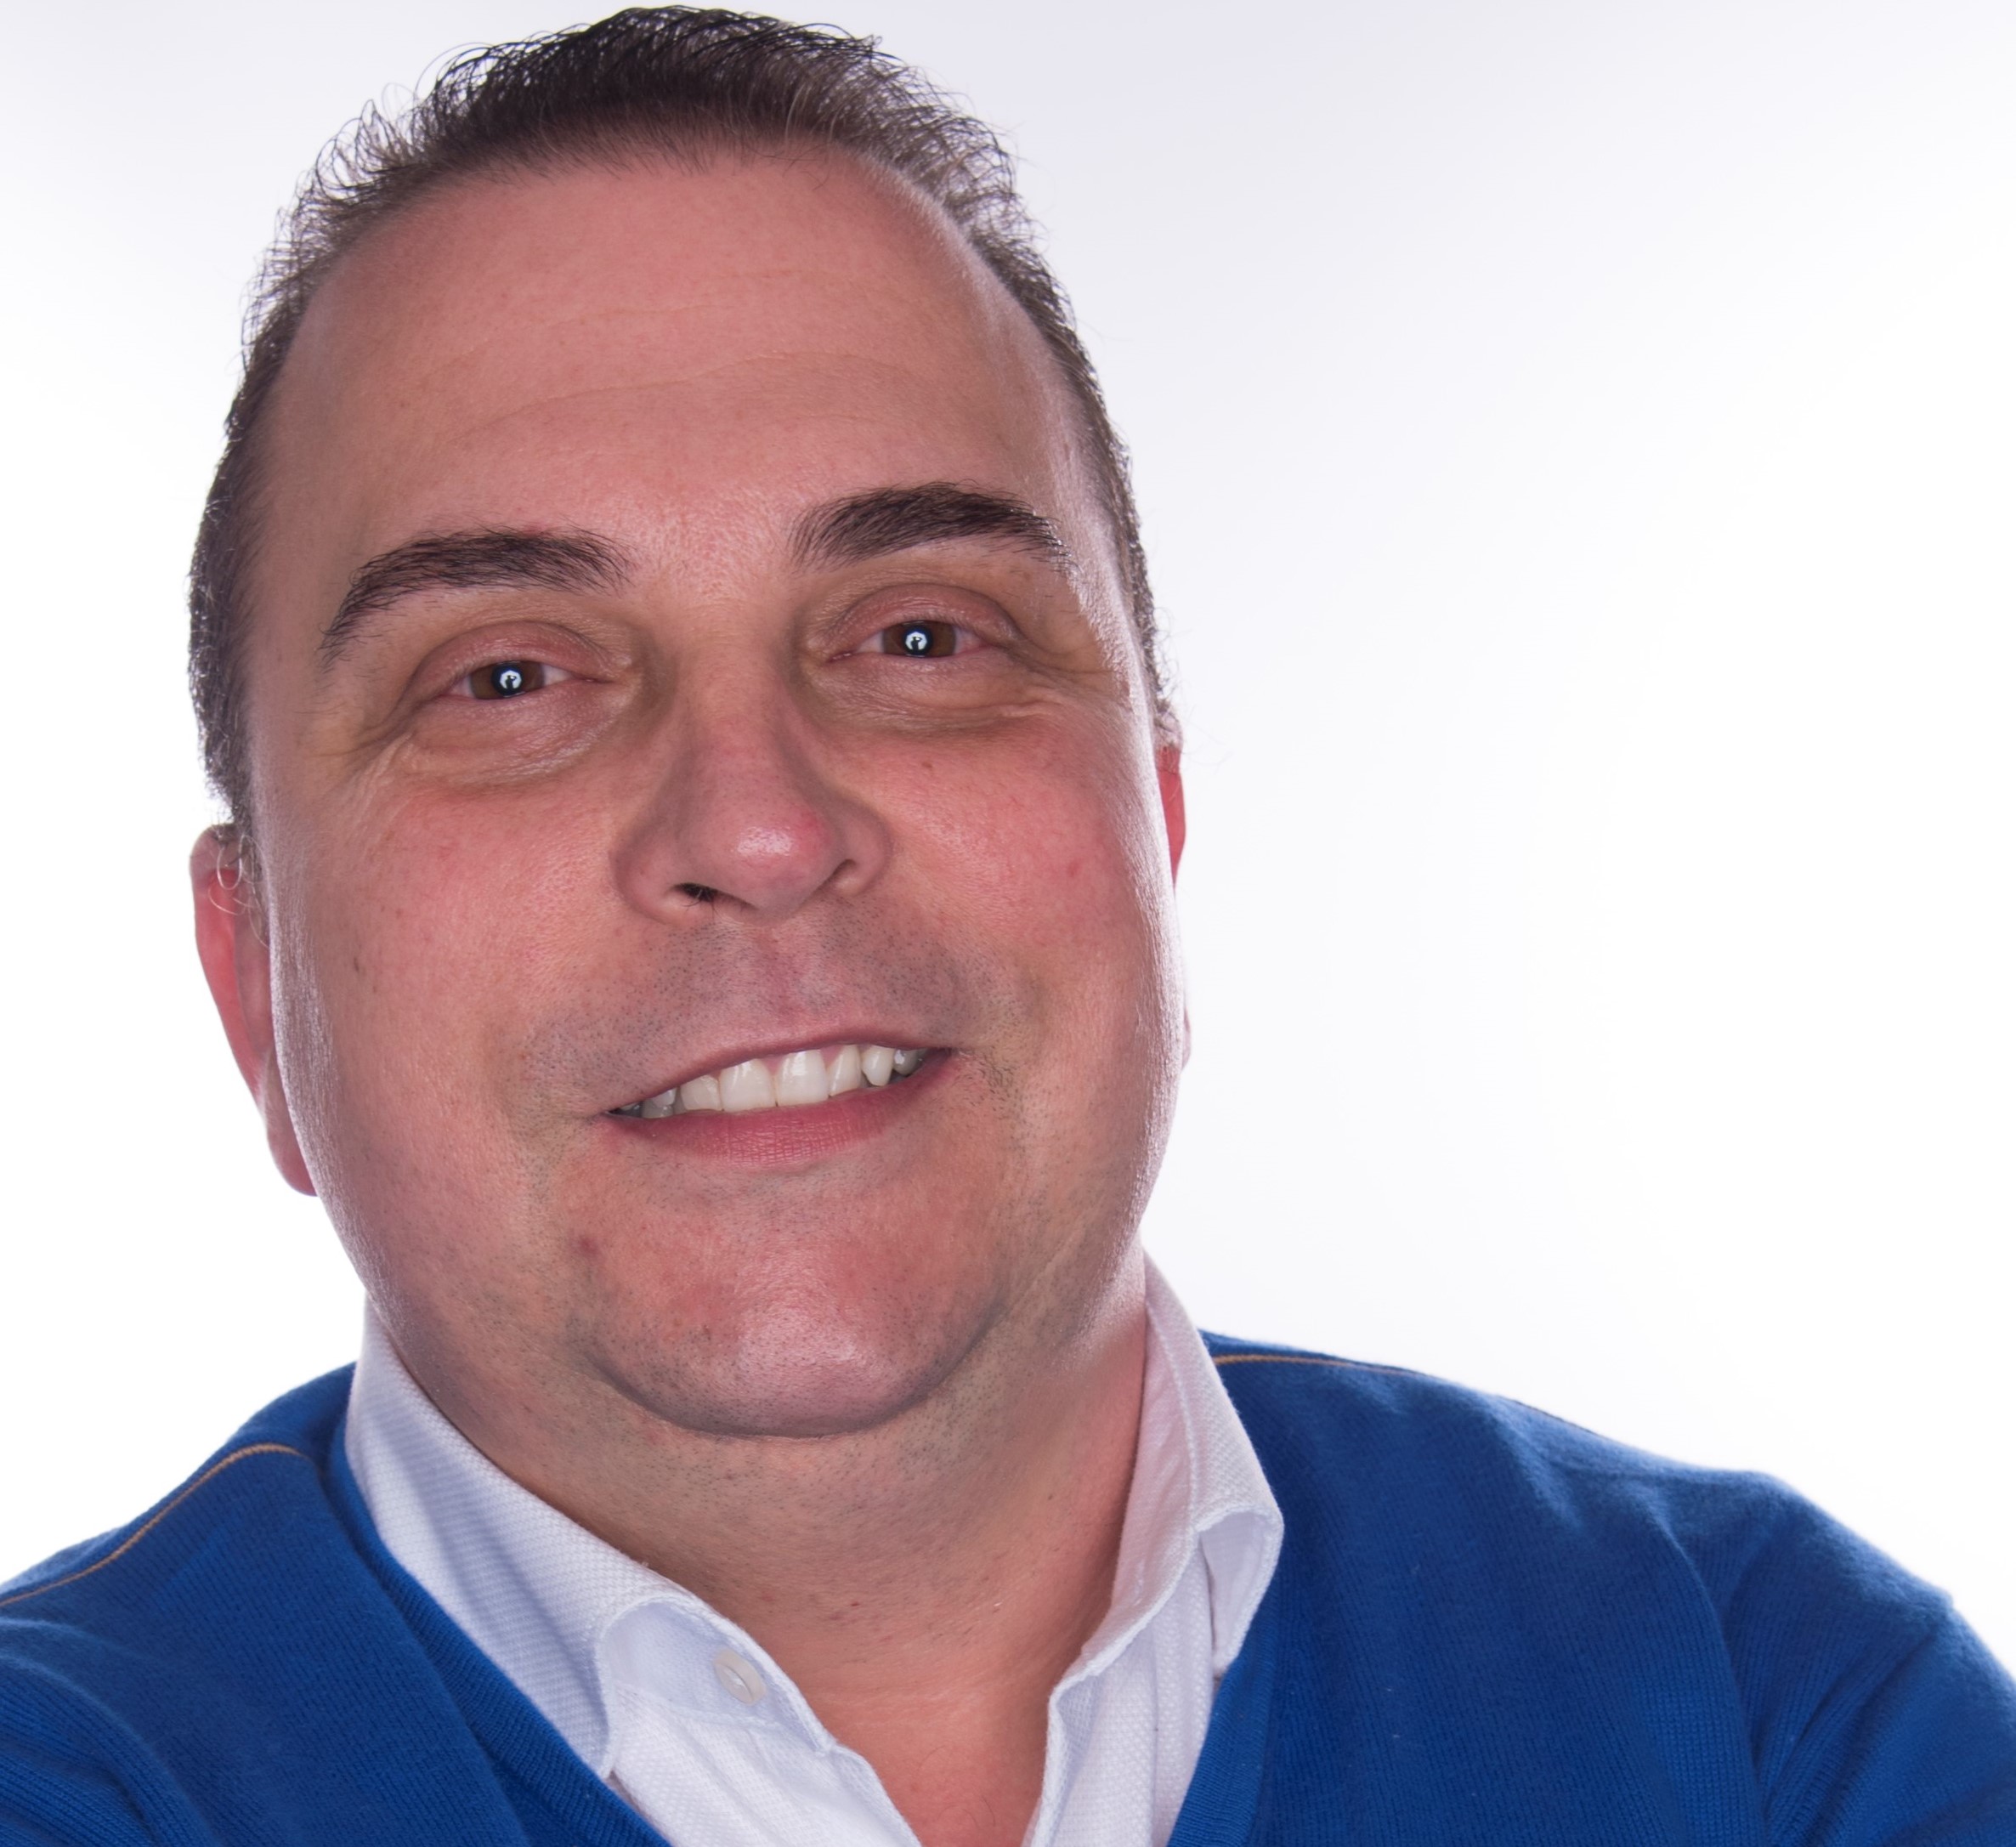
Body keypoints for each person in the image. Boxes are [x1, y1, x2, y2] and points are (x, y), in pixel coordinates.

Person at [2, 9, 2011, 1844]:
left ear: (1152, 824)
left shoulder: (1776, 1712)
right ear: (253, 990)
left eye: (919, 636)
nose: (759, 828)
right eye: (506, 678)